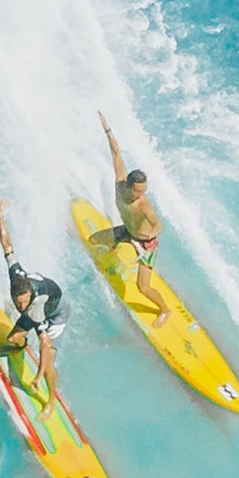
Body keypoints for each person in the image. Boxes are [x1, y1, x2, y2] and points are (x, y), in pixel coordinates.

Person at [97, 113, 171, 329]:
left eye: (144, 190)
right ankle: (115, 245)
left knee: (143, 288)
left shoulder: (143, 205)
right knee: (94, 240)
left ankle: (165, 310)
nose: (141, 194)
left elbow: (158, 225)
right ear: (129, 186)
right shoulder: (120, 184)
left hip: (146, 244)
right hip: (127, 231)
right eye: (138, 190)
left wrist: (147, 238)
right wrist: (107, 129)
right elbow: (116, 153)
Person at [0, 200, 64, 405]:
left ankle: (50, 401)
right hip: (41, 298)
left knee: (48, 361)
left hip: (55, 311)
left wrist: (38, 376)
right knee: (13, 338)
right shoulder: (17, 276)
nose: (21, 307)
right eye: (19, 303)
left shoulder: (36, 307)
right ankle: (23, 345)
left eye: (24, 302)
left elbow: (44, 344)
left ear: (29, 296)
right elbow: (7, 245)